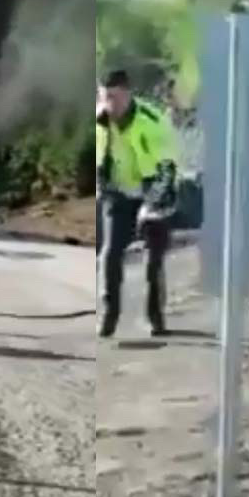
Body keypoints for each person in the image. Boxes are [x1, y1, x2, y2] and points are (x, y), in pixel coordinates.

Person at [95, 68, 179, 338]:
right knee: (110, 253)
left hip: (156, 191)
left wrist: (150, 205)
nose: (111, 105)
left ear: (128, 94)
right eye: (106, 97)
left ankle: (156, 318)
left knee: (153, 259)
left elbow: (167, 170)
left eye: (116, 98)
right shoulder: (98, 121)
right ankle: (109, 315)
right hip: (119, 194)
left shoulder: (152, 122)